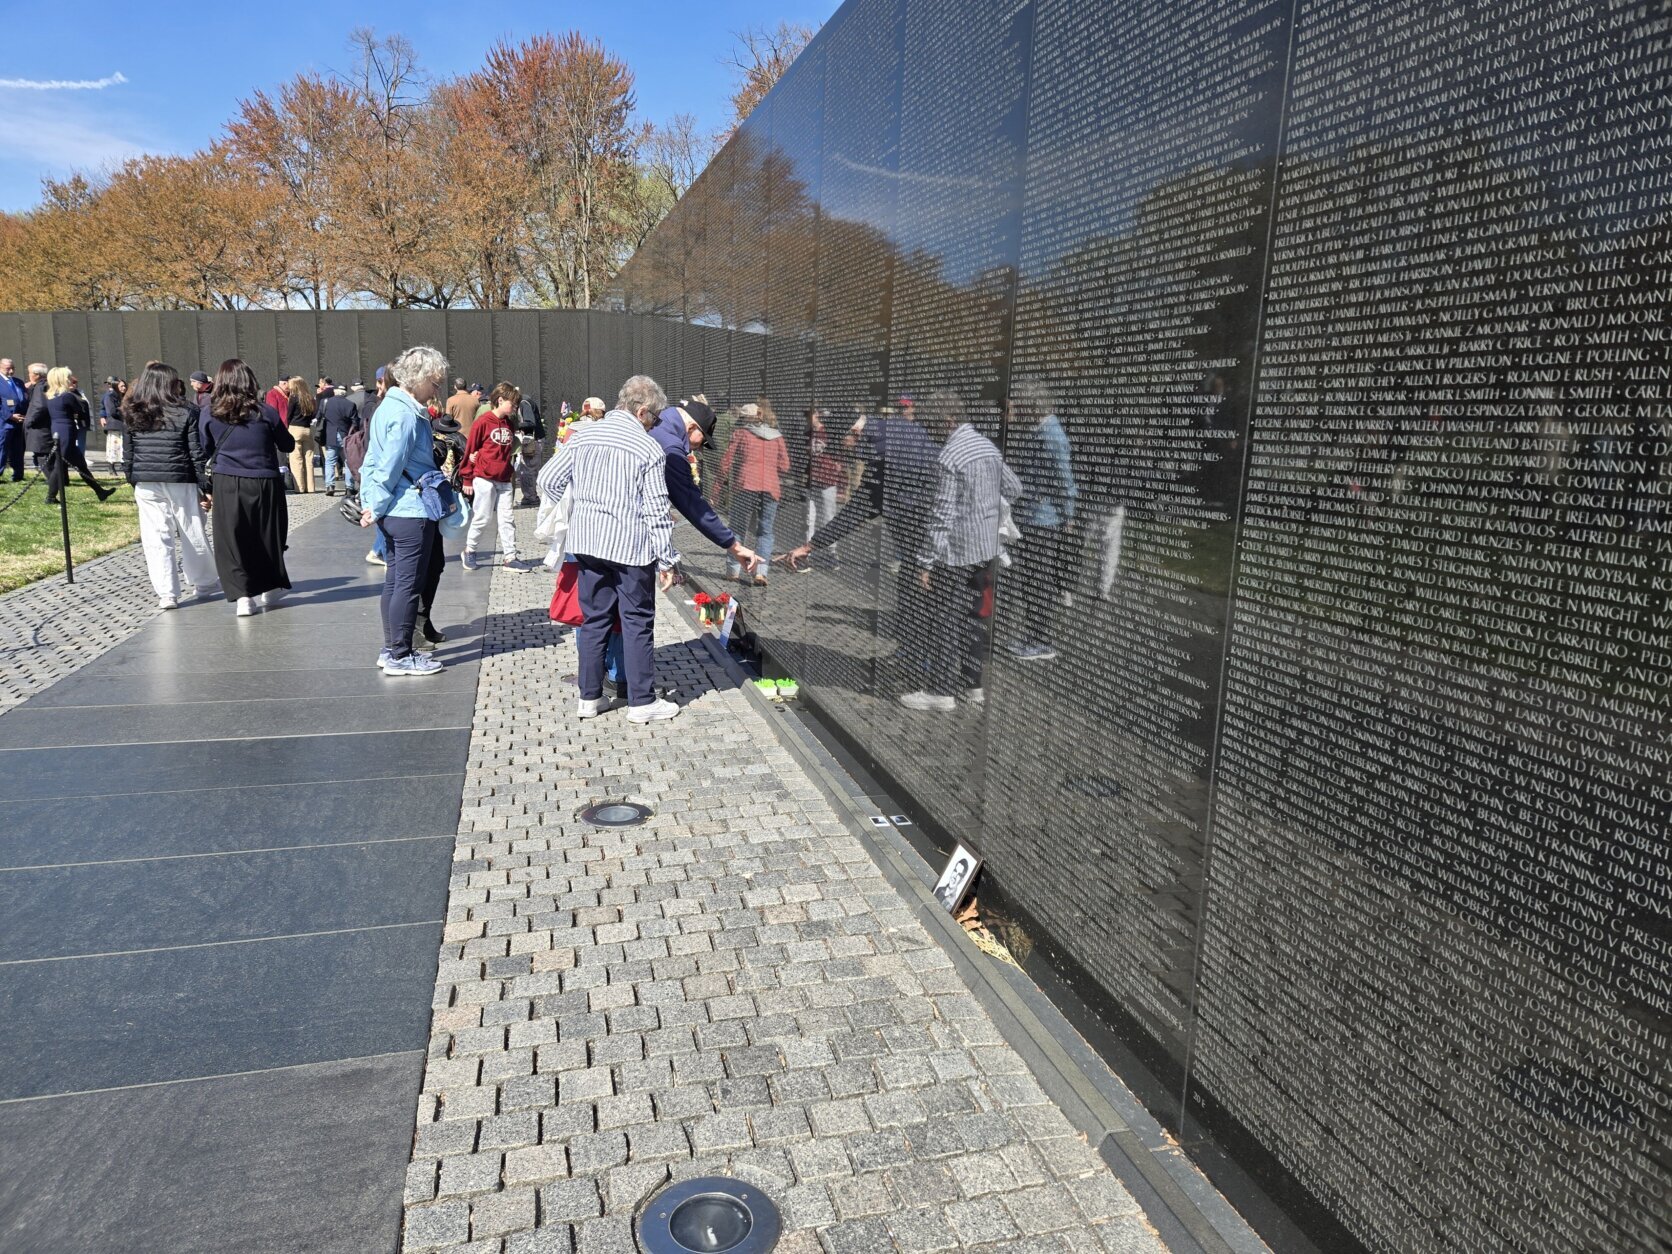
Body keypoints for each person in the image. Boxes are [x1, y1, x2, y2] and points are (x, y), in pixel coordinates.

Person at [541, 375, 681, 724]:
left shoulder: (583, 434)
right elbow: (656, 509)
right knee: (637, 622)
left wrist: (583, 508)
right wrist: (668, 560)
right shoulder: (647, 449)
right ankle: (641, 702)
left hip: (587, 543)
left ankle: (589, 698)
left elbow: (547, 479)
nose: (656, 424)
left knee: (594, 620)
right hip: (631, 548)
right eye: (656, 418)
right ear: (643, 412)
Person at [900, 391, 1021, 712]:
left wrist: (925, 561)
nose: (931, 434)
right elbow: (1014, 488)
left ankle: (941, 691)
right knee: (974, 619)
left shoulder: (950, 457)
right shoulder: (987, 447)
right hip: (988, 550)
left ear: (948, 422)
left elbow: (942, 515)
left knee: (944, 619)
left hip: (955, 553)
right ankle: (974, 686)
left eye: (933, 428)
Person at [358, 345, 449, 677]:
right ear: (420, 378)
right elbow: (389, 468)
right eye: (436, 383)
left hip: (395, 511)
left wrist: (371, 503)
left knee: (395, 582)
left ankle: (392, 649)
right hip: (409, 509)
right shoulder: (407, 414)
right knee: (407, 585)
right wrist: (374, 506)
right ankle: (400, 653)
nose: (438, 390)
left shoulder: (388, 407)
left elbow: (373, 463)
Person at [122, 361, 218, 609]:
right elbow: (195, 451)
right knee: (191, 530)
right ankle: (203, 581)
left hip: (146, 480)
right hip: (180, 478)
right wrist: (205, 484)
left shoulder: (133, 410)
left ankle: (167, 593)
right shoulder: (186, 411)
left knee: (156, 538)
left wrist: (131, 478)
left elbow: (128, 451)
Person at [202, 359, 294, 617]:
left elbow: (205, 446)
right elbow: (287, 445)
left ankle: (243, 596)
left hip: (228, 480)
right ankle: (270, 586)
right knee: (267, 536)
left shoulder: (210, 412)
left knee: (232, 539)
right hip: (264, 480)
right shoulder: (266, 412)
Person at [1004, 380, 1077, 662]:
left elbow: (1064, 480)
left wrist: (1068, 515)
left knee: (1039, 580)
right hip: (1031, 516)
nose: (1016, 411)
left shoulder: (1051, 434)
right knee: (1031, 579)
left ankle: (1042, 641)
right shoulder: (1040, 430)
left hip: (1042, 520)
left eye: (1020, 405)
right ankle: (1034, 635)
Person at [717, 401, 789, 586]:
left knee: (738, 528)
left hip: (745, 485)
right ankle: (761, 573)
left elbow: (726, 461)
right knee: (765, 531)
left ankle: (733, 571)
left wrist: (717, 489)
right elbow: (785, 466)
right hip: (770, 488)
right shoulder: (777, 437)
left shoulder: (742, 434)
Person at [460, 382, 524, 570]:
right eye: (512, 404)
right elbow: (470, 449)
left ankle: (510, 556)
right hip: (484, 476)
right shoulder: (482, 422)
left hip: (504, 477)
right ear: (500, 400)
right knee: (482, 516)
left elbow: (507, 450)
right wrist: (467, 477)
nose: (514, 408)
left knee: (507, 518)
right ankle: (470, 550)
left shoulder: (509, 424)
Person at [42, 368, 115, 504]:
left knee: (80, 465)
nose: (70, 380)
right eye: (68, 378)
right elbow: (80, 409)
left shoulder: (50, 395)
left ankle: (100, 491)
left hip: (57, 428)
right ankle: (50, 497)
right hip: (66, 430)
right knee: (60, 464)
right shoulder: (67, 396)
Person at [319, 384, 360, 496]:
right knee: (348, 461)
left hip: (331, 435)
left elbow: (320, 417)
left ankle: (330, 485)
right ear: (345, 392)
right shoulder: (350, 404)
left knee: (330, 461)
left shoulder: (327, 403)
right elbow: (355, 422)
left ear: (335, 392)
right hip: (346, 436)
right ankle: (349, 487)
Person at [284, 376, 318, 493]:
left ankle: (300, 488)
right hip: (307, 430)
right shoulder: (310, 398)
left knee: (296, 459)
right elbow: (314, 414)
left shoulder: (293, 397)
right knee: (309, 460)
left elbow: (289, 415)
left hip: (295, 429)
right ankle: (311, 487)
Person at [0, 359, 27, 481]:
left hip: (20, 422)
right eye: (7, 368)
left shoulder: (18, 382)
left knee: (18, 449)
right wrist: (10, 416)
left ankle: (18, 475)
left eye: (12, 368)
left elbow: (25, 399)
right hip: (4, 423)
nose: (11, 371)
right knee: (2, 449)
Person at [100, 377, 127, 477]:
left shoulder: (124, 397)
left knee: (123, 447)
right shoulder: (110, 396)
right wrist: (124, 412)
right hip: (115, 425)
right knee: (114, 448)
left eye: (124, 386)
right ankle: (111, 467)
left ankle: (124, 466)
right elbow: (111, 411)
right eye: (121, 386)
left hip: (123, 425)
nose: (124, 388)